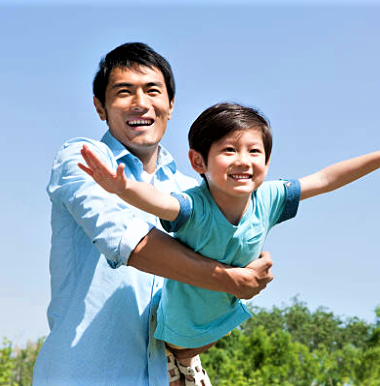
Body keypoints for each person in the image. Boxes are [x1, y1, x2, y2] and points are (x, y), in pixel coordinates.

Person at [79, 102, 380, 371]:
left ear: (268, 162)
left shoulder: (270, 197)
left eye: (254, 151)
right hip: (174, 336)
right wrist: (124, 187)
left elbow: (327, 179)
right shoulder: (194, 206)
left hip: (220, 322)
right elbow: (161, 202)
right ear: (198, 161)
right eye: (228, 150)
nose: (243, 161)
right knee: (179, 358)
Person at [32, 43, 275, 386]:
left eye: (152, 90)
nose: (140, 103)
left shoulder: (193, 192)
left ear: (171, 105)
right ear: (100, 107)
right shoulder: (84, 160)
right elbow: (125, 238)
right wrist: (228, 278)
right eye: (123, 92)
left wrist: (234, 286)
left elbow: (192, 324)